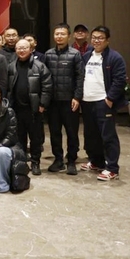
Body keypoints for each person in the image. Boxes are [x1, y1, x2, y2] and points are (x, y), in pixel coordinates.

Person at [80, 26, 126, 181]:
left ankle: (112, 168)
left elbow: (120, 80)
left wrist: (110, 98)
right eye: (94, 37)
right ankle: (97, 161)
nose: (96, 41)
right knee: (92, 135)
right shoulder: (87, 56)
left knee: (108, 136)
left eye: (100, 38)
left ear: (107, 40)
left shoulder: (115, 57)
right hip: (87, 101)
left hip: (103, 102)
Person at [43, 23, 84, 175]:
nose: (59, 37)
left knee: (72, 132)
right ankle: (58, 159)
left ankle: (71, 160)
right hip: (53, 102)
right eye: (57, 34)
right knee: (54, 132)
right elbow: (44, 78)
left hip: (70, 101)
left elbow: (80, 77)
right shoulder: (48, 54)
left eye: (62, 34)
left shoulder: (75, 54)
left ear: (69, 36)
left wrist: (77, 97)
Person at [7, 39, 52, 176]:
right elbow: (7, 87)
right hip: (16, 109)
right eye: (19, 48)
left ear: (31, 49)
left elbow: (47, 86)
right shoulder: (11, 66)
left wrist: (42, 104)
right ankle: (21, 163)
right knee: (19, 138)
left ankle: (35, 162)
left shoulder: (40, 66)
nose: (21, 51)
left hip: (33, 109)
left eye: (24, 48)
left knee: (35, 138)